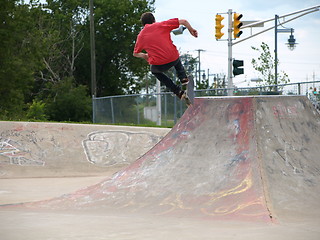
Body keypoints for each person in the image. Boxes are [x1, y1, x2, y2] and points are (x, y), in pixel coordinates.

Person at [133, 12, 198, 100]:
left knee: (154, 71)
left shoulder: (140, 36)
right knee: (174, 54)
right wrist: (191, 30)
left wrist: (145, 56)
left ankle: (177, 91)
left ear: (143, 24)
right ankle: (183, 78)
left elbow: (135, 53)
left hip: (159, 63)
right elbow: (184, 21)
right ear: (154, 20)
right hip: (173, 58)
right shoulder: (162, 25)